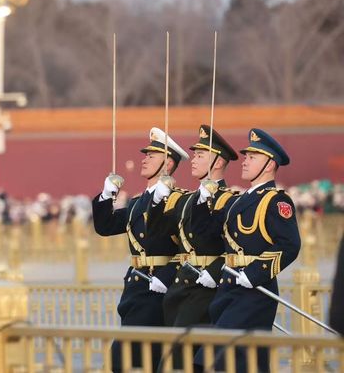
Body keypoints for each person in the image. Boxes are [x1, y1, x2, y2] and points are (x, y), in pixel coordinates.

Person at [200, 128, 301, 372]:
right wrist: (202, 202)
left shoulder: (276, 201)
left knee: (219, 358)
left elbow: (290, 245)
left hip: (255, 291)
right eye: (246, 157)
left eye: (252, 157)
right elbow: (207, 234)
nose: (244, 162)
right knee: (244, 362)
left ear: (269, 164)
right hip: (229, 288)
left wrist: (255, 273)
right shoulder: (238, 200)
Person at [93, 127, 188, 372]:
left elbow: (188, 246)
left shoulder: (178, 200)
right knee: (131, 360)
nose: (144, 159)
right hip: (136, 288)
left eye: (152, 156)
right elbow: (105, 226)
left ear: (168, 163)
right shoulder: (138, 201)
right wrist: (106, 196)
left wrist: (166, 276)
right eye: (145, 155)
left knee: (131, 359)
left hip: (159, 288)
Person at [151, 125, 239, 370]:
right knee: (182, 361)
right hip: (180, 288)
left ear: (218, 162)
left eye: (201, 155)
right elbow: (157, 235)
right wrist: (156, 201)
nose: (194, 159)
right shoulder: (187, 199)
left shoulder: (229, 200)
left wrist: (216, 270)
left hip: (206, 289)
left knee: (175, 362)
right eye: (195, 154)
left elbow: (235, 248)